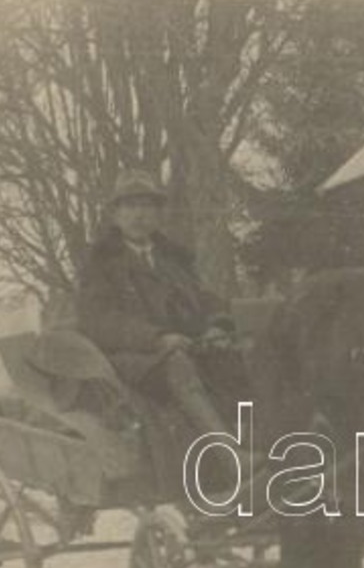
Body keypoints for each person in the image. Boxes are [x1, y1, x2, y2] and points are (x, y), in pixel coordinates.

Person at [74, 171, 243, 441]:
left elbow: (201, 298)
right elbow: (99, 320)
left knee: (236, 355)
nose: (139, 215)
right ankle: (228, 453)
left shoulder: (172, 259)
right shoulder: (100, 263)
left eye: (147, 206)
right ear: (115, 216)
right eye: (130, 206)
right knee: (177, 365)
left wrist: (216, 326)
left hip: (184, 346)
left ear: (158, 215)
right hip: (128, 359)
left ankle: (256, 437)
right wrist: (157, 339)